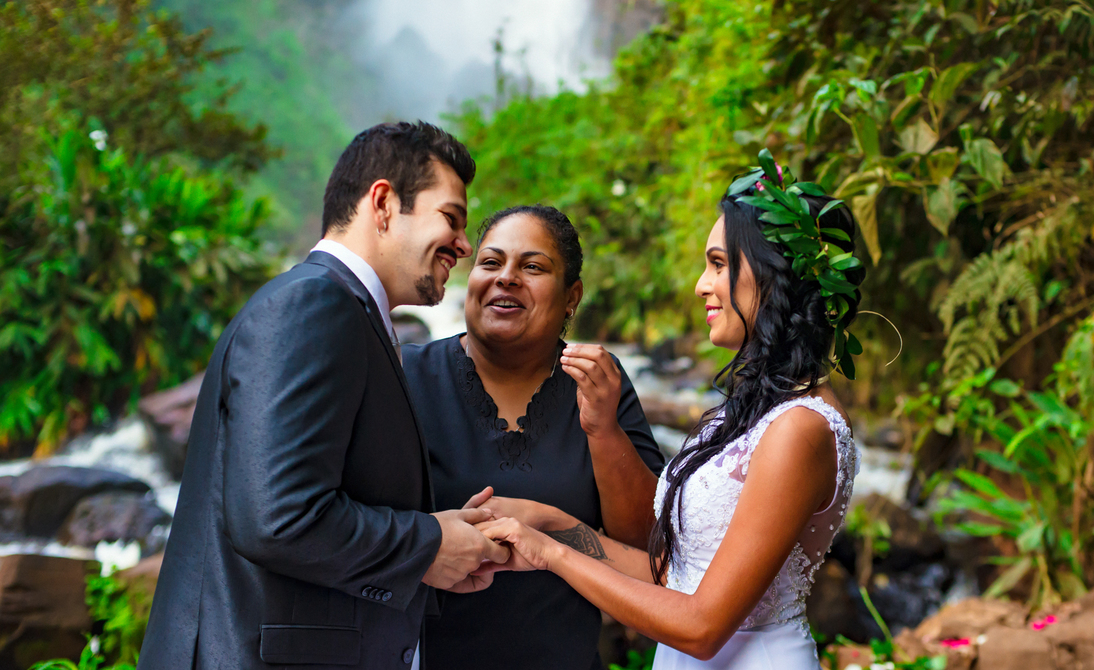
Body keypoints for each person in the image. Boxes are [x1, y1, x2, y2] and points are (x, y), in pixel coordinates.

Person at [139, 122, 510, 670]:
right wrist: (426, 544)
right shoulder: (314, 305)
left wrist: (443, 540)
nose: (463, 243)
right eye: (451, 218)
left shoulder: (347, 310)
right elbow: (279, 517)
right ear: (383, 203)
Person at [478, 156, 865, 670]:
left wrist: (550, 554)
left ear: (776, 276)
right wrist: (549, 522)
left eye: (720, 264)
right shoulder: (746, 416)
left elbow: (701, 627)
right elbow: (670, 576)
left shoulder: (801, 428)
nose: (702, 285)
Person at [402, 204, 665, 670]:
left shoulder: (598, 383)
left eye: (533, 267)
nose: (506, 277)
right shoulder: (406, 376)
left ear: (572, 297)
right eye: (490, 262)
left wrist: (602, 430)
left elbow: (648, 552)